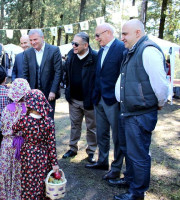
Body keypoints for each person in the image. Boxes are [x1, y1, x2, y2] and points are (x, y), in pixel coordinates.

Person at [112, 19, 169, 200]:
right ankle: (130, 180)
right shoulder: (133, 50)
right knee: (128, 150)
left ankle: (137, 193)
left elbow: (161, 85)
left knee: (138, 154)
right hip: (129, 111)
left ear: (138, 32)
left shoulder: (148, 50)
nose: (122, 38)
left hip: (140, 113)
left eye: (125, 34)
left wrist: (159, 103)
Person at [85, 23, 126, 181]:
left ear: (108, 32)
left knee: (117, 136)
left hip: (114, 100)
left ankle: (116, 169)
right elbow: (99, 75)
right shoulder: (101, 51)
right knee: (101, 133)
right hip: (99, 99)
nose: (96, 39)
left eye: (97, 35)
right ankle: (102, 162)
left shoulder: (121, 48)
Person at [12, 89, 59, 200]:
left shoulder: (24, 120)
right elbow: (52, 144)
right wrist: (55, 163)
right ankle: (41, 196)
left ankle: (29, 196)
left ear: (29, 104)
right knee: (42, 179)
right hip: (43, 154)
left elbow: (14, 129)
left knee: (29, 179)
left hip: (28, 153)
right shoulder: (48, 121)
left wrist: (19, 115)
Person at [62, 32, 98, 163]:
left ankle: (91, 151)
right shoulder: (71, 55)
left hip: (90, 100)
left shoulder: (95, 57)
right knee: (74, 125)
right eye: (72, 43)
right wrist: (68, 89)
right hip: (74, 99)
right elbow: (66, 72)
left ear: (86, 45)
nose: (73, 46)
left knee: (92, 128)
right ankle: (72, 148)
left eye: (76, 44)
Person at [0, 78, 31, 200]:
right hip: (24, 144)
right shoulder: (29, 110)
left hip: (8, 144)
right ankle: (20, 193)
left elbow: (3, 126)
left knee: (6, 169)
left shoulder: (6, 109)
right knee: (21, 170)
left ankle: (5, 193)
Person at [23, 29, 62, 119]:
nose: (33, 42)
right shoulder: (28, 53)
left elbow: (58, 72)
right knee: (32, 121)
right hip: (32, 94)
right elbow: (25, 74)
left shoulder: (54, 50)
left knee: (48, 120)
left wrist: (53, 91)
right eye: (31, 40)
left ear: (42, 38)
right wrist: (27, 92)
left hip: (49, 94)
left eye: (35, 39)